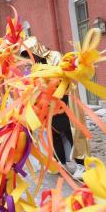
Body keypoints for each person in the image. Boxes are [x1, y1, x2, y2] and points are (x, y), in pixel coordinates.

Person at [20, 37, 89, 178]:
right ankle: (60, 163)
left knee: (72, 132)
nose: (30, 58)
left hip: (65, 100)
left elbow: (62, 77)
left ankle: (81, 165)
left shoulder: (55, 56)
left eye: (30, 54)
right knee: (54, 132)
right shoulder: (36, 65)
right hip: (49, 105)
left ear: (36, 50)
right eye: (27, 56)